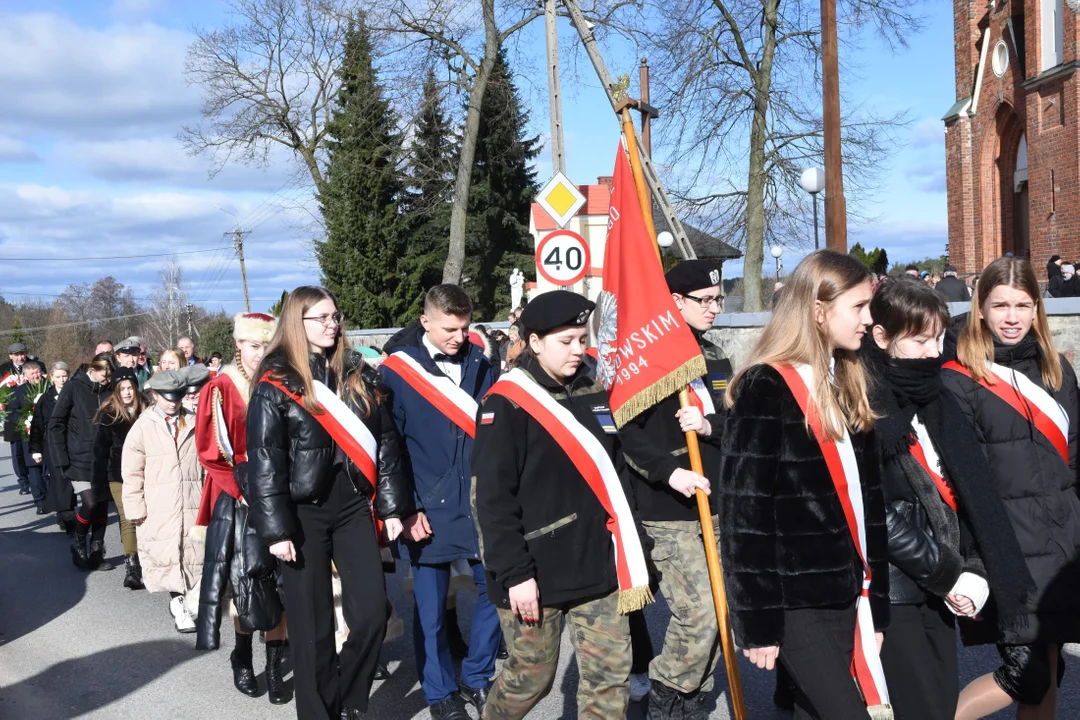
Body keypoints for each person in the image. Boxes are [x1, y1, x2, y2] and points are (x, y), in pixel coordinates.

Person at [719, 250, 890, 720]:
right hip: (793, 601)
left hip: (847, 590)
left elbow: (868, 503)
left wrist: (876, 601)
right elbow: (743, 516)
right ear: (818, 311)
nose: (868, 318)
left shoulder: (848, 379)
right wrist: (755, 620)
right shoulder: (765, 385)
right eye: (857, 307)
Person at [471, 290, 653, 720]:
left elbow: (616, 472)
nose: (578, 350)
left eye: (581, 338)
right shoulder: (507, 402)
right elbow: (491, 499)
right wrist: (515, 574)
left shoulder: (592, 390)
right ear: (534, 342)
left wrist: (634, 541)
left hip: (595, 564)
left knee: (610, 679)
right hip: (534, 569)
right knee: (531, 677)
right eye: (566, 341)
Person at [861, 278, 1035, 720]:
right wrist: (949, 575)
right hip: (894, 589)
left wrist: (974, 568)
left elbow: (969, 495)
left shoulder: (938, 395)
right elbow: (872, 510)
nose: (933, 351)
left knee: (937, 705)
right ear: (882, 337)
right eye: (920, 340)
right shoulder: (860, 401)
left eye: (938, 337)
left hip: (940, 584)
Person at [247, 287, 417, 720]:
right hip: (302, 513)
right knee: (312, 630)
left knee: (372, 615)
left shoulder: (357, 371)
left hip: (353, 504)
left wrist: (394, 507)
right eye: (320, 318)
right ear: (296, 324)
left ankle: (347, 699)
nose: (332, 324)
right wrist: (277, 530)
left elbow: (385, 442)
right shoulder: (276, 381)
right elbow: (265, 462)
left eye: (335, 316)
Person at [942, 256, 1080, 719]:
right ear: (980, 307)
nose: (1012, 317)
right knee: (1026, 671)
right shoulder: (960, 377)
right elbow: (966, 480)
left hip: (1063, 541)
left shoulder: (1057, 369)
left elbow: (1075, 458)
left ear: (1037, 308)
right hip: (1010, 546)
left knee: (1049, 667)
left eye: (1023, 305)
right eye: (1000, 304)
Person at [379, 284, 501, 720]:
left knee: (497, 593)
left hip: (479, 503)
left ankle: (476, 674)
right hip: (426, 508)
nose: (459, 337)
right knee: (431, 613)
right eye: (450, 328)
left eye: (465, 328)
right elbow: (388, 447)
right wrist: (406, 508)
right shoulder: (396, 372)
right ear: (425, 321)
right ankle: (439, 694)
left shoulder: (481, 364)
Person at [617, 259, 733, 717]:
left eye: (718, 299)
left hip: (718, 500)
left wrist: (709, 425)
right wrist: (670, 472)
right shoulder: (646, 359)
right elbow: (627, 434)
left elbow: (735, 418)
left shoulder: (716, 355)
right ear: (674, 302)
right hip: (671, 510)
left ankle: (692, 704)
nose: (714, 308)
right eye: (704, 301)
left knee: (722, 617)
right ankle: (663, 699)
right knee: (700, 615)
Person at [194, 312, 291, 705]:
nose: (260, 353)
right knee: (245, 584)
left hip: (278, 493)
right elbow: (210, 451)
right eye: (254, 346)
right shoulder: (219, 387)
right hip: (235, 494)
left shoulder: (282, 384)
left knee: (282, 582)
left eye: (267, 346)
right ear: (239, 345)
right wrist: (245, 490)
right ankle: (242, 656)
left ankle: (274, 665)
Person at [122, 366, 210, 633]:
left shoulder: (195, 422)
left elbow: (208, 463)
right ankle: (179, 604)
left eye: (178, 396)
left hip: (193, 501)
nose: (173, 402)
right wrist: (135, 507)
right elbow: (132, 471)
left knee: (194, 555)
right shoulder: (142, 427)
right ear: (155, 395)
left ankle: (191, 600)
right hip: (159, 506)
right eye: (168, 396)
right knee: (168, 556)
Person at [49, 353, 112, 570]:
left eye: (110, 374)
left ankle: (97, 551)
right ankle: (78, 543)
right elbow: (56, 423)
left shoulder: (110, 390)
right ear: (93, 368)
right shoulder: (74, 387)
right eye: (104, 373)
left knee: (102, 505)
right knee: (90, 502)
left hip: (104, 458)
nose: (107, 378)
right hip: (78, 459)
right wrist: (61, 458)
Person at [92, 366, 148, 589]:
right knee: (128, 518)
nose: (126, 392)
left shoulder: (147, 410)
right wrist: (98, 486)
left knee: (146, 517)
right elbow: (100, 452)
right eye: (121, 388)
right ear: (115, 391)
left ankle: (147, 560)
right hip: (118, 475)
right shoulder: (109, 415)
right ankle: (132, 566)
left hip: (146, 473)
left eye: (129, 387)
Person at [33, 362, 72, 532]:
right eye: (58, 376)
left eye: (64, 376)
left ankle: (65, 513)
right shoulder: (45, 399)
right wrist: (35, 449)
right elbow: (37, 424)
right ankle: (66, 517)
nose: (62, 380)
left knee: (70, 481)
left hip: (72, 443)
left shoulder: (75, 394)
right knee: (59, 480)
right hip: (52, 445)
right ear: (51, 377)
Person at [7, 361, 49, 512]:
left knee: (49, 467)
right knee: (34, 468)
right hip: (30, 435)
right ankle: (40, 501)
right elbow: (11, 412)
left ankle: (53, 497)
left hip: (49, 434)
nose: (37, 376)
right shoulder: (19, 392)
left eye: (38, 372)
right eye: (32, 373)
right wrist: (25, 419)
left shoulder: (49, 388)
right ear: (25, 375)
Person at [1, 342, 30, 494]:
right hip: (13, 415)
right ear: (11, 356)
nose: (20, 357)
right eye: (17, 355)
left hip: (32, 413)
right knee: (17, 451)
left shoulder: (35, 365)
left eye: (22, 354)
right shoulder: (3, 370)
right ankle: (23, 481)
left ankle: (36, 477)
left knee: (33, 448)